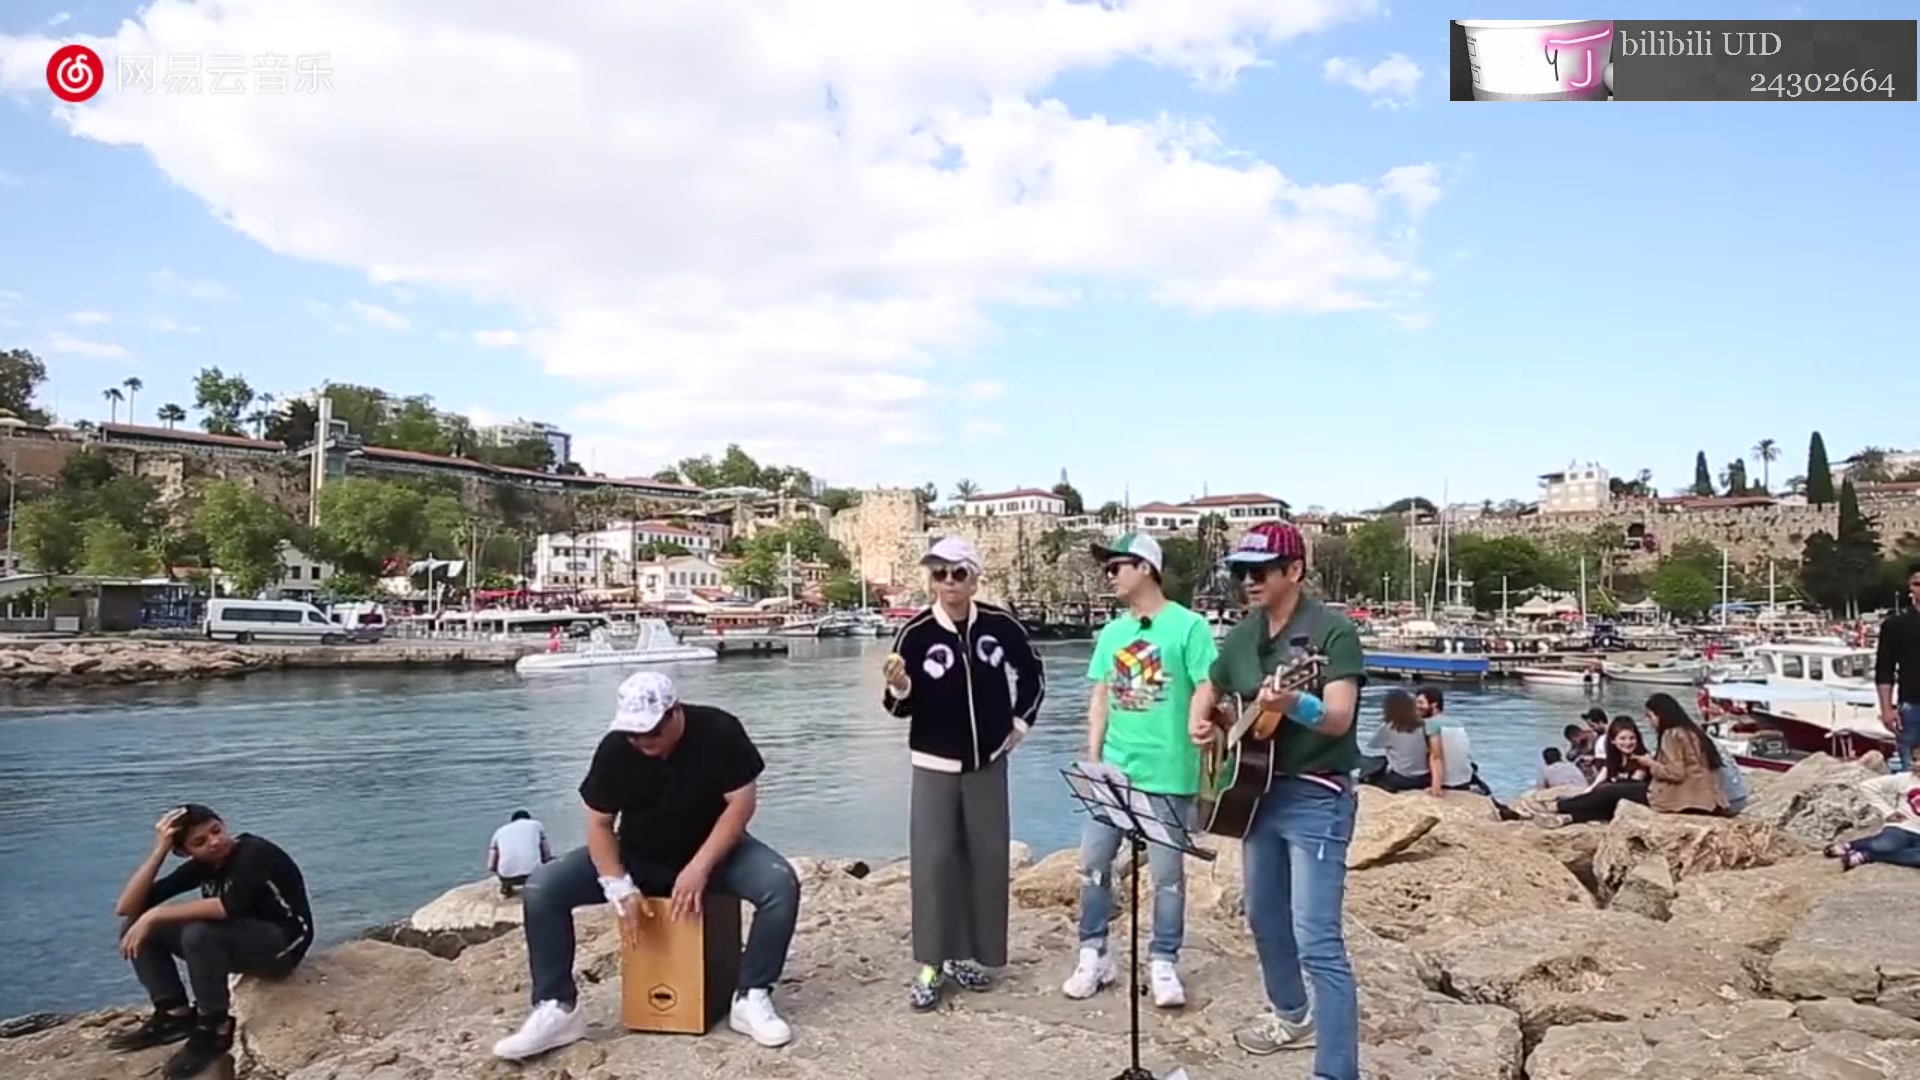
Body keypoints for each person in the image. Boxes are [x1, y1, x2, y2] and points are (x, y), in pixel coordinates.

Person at [492, 672, 801, 1060]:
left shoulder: (719, 730)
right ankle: (556, 1007)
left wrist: (700, 865)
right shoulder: (616, 749)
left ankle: (752, 995)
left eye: (651, 732)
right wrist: (616, 884)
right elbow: (599, 824)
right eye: (634, 734)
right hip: (638, 852)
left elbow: (741, 802)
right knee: (543, 888)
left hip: (717, 851)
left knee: (779, 885)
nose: (642, 742)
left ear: (675, 713)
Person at [1188, 522, 1366, 1079]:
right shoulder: (1242, 636)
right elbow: (1211, 685)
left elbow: (1338, 718)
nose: (1248, 580)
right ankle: (1291, 1015)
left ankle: (1336, 1072)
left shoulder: (1333, 634)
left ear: (1294, 571)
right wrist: (1201, 717)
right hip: (1253, 795)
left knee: (1318, 939)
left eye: (1259, 570)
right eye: (1241, 571)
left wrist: (1295, 705)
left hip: (1316, 795)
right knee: (1264, 917)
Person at [883, 536, 1045, 1011]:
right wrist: (900, 686)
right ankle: (933, 961)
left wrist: (1020, 722)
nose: (948, 583)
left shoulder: (1000, 625)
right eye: (939, 574)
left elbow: (1032, 673)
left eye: (957, 573)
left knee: (987, 860)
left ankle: (973, 954)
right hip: (933, 763)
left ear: (974, 577)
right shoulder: (913, 633)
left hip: (989, 761)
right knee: (934, 863)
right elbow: (898, 707)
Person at [1063, 532, 1216, 1008]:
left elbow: (1207, 682)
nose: (1109, 576)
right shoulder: (1111, 633)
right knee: (1093, 865)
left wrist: (1199, 718)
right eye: (1106, 569)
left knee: (1168, 875)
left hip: (1169, 771)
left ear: (1146, 567)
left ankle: (1164, 961)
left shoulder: (1189, 627)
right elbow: (1102, 695)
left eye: (1117, 567)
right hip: (1114, 771)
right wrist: (1093, 758)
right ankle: (1093, 954)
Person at [106, 804, 313, 1080]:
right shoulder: (202, 866)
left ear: (223, 823)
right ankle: (174, 1014)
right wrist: (160, 850)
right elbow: (127, 907)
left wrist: (156, 914)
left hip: (284, 944)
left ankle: (214, 1027)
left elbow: (228, 907)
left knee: (199, 933)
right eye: (199, 842)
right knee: (134, 926)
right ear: (184, 852)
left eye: (216, 831)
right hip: (240, 941)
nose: (214, 842)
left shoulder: (254, 852)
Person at [1533, 718, 1653, 827]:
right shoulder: (1614, 758)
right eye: (1622, 738)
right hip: (1614, 799)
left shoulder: (1642, 757)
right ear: (1613, 740)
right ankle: (1567, 818)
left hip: (1636, 796)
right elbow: (1600, 779)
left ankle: (1557, 807)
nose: (1628, 742)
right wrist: (1587, 792)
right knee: (1601, 801)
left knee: (1606, 791)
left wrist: (1602, 790)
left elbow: (1633, 783)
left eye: (1632, 738)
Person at [1639, 693, 1730, 816]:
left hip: (1684, 799)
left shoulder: (1671, 734)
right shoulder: (1694, 732)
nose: (1650, 722)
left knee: (1610, 792)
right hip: (1707, 799)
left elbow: (1675, 773)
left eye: (1650, 716)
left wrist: (1651, 764)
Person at [1827, 769, 1920, 870]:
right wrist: (1888, 812)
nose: (1917, 764)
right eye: (1915, 759)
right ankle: (1850, 846)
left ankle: (1868, 856)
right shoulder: (1905, 779)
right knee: (1885, 845)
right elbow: (1867, 786)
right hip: (1903, 827)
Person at [1875, 562, 1920, 770]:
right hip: (1911, 706)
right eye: (1918, 583)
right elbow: (1885, 669)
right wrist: (1886, 709)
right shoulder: (1894, 624)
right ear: (1910, 588)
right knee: (1912, 773)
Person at [1413, 686, 1490, 796]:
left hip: (1448, 782)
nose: (1417, 706)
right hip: (1464, 779)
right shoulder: (1457, 723)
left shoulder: (1430, 724)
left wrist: (1436, 788)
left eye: (1421, 703)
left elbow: (1436, 757)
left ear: (1434, 705)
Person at [1361, 689, 1430, 792]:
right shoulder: (1423, 725)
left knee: (1373, 765)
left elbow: (1372, 747)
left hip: (1401, 779)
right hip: (1424, 778)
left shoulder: (1389, 727)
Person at [489, 810, 552, 897]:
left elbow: (491, 866)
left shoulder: (499, 832)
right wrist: (546, 862)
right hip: (533, 876)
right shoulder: (536, 825)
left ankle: (506, 887)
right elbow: (546, 852)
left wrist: (500, 872)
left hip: (507, 877)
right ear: (528, 819)